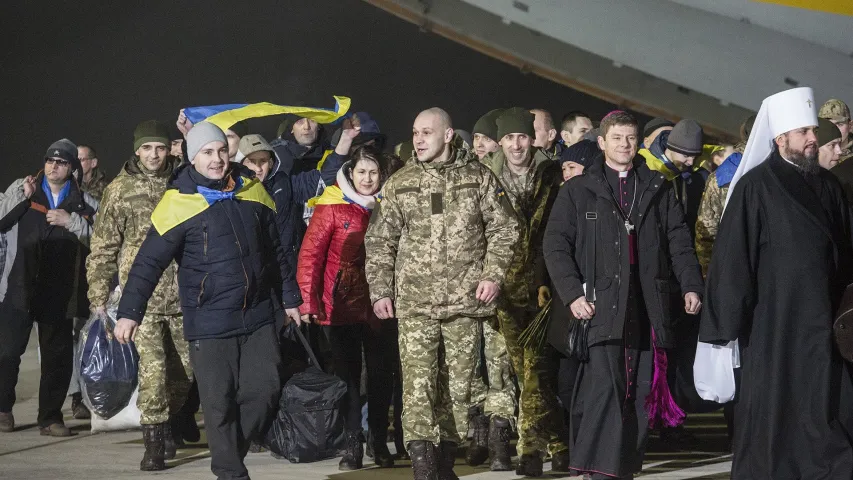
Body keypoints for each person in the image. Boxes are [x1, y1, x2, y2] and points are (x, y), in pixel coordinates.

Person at [115, 122, 302, 480]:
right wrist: (130, 313)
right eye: (207, 153)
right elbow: (148, 262)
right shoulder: (178, 203)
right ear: (191, 156)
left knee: (264, 391)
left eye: (220, 151)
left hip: (259, 315)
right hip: (210, 321)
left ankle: (231, 453)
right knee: (218, 406)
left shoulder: (251, 190)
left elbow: (275, 250)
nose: (216, 159)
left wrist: (291, 297)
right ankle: (231, 471)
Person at [699, 87, 853, 480]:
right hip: (775, 326)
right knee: (776, 415)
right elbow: (734, 262)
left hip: (825, 324)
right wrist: (724, 326)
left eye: (813, 131)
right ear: (781, 138)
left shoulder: (830, 188)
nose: (813, 139)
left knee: (825, 409)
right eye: (803, 132)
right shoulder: (755, 188)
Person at [544, 111, 703, 479]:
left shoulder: (657, 188)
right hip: (600, 308)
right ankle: (598, 470)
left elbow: (679, 242)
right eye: (616, 138)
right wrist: (571, 294)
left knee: (639, 394)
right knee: (605, 393)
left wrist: (692, 285)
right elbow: (555, 246)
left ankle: (624, 469)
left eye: (630, 138)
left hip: (646, 307)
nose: (624, 145)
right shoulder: (578, 190)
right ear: (602, 142)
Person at [365, 107, 519, 480]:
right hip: (416, 304)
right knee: (417, 387)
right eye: (415, 132)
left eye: (427, 132)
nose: (418, 139)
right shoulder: (400, 183)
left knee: (458, 389)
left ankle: (445, 463)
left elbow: (506, 228)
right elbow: (379, 241)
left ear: (448, 135)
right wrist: (380, 290)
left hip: (465, 304)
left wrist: (492, 275)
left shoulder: (479, 178)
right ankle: (423, 465)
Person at [86, 120, 192, 470]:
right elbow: (103, 245)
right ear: (137, 150)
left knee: (184, 373)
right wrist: (99, 295)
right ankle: (154, 444)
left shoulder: (184, 182)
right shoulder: (119, 189)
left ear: (169, 149)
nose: (154, 154)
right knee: (152, 371)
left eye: (160, 147)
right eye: (147, 148)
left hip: (182, 295)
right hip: (140, 300)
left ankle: (169, 424)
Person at [297, 146, 398, 470]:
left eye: (374, 172)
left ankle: (379, 442)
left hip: (382, 303)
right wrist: (308, 301)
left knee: (383, 375)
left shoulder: (391, 205)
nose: (368, 179)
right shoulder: (332, 204)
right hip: (339, 304)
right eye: (362, 172)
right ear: (351, 174)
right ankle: (352, 445)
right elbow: (311, 255)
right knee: (349, 379)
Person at [480, 107, 568, 476]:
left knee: (536, 367)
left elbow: (556, 229)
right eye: (510, 138)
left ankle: (530, 450)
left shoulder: (551, 174)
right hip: (502, 288)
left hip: (543, 284)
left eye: (523, 137)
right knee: (524, 370)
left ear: (533, 139)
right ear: (500, 141)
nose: (517, 145)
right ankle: (560, 443)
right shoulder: (485, 177)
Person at [0, 139, 97, 437]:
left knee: (57, 356)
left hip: (60, 290)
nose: (53, 166)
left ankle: (51, 417)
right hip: (19, 285)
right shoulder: (24, 187)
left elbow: (104, 241)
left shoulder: (86, 203)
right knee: (7, 352)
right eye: (49, 160)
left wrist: (73, 223)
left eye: (61, 162)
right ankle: (3, 410)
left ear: (72, 169)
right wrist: (21, 197)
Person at [694, 115, 754, 275]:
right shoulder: (780, 169)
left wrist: (709, 275)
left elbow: (706, 233)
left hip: (730, 271)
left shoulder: (722, 175)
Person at [819, 98, 852, 164]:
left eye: (839, 124)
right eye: (828, 124)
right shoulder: (811, 154)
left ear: (850, 126)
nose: (834, 129)